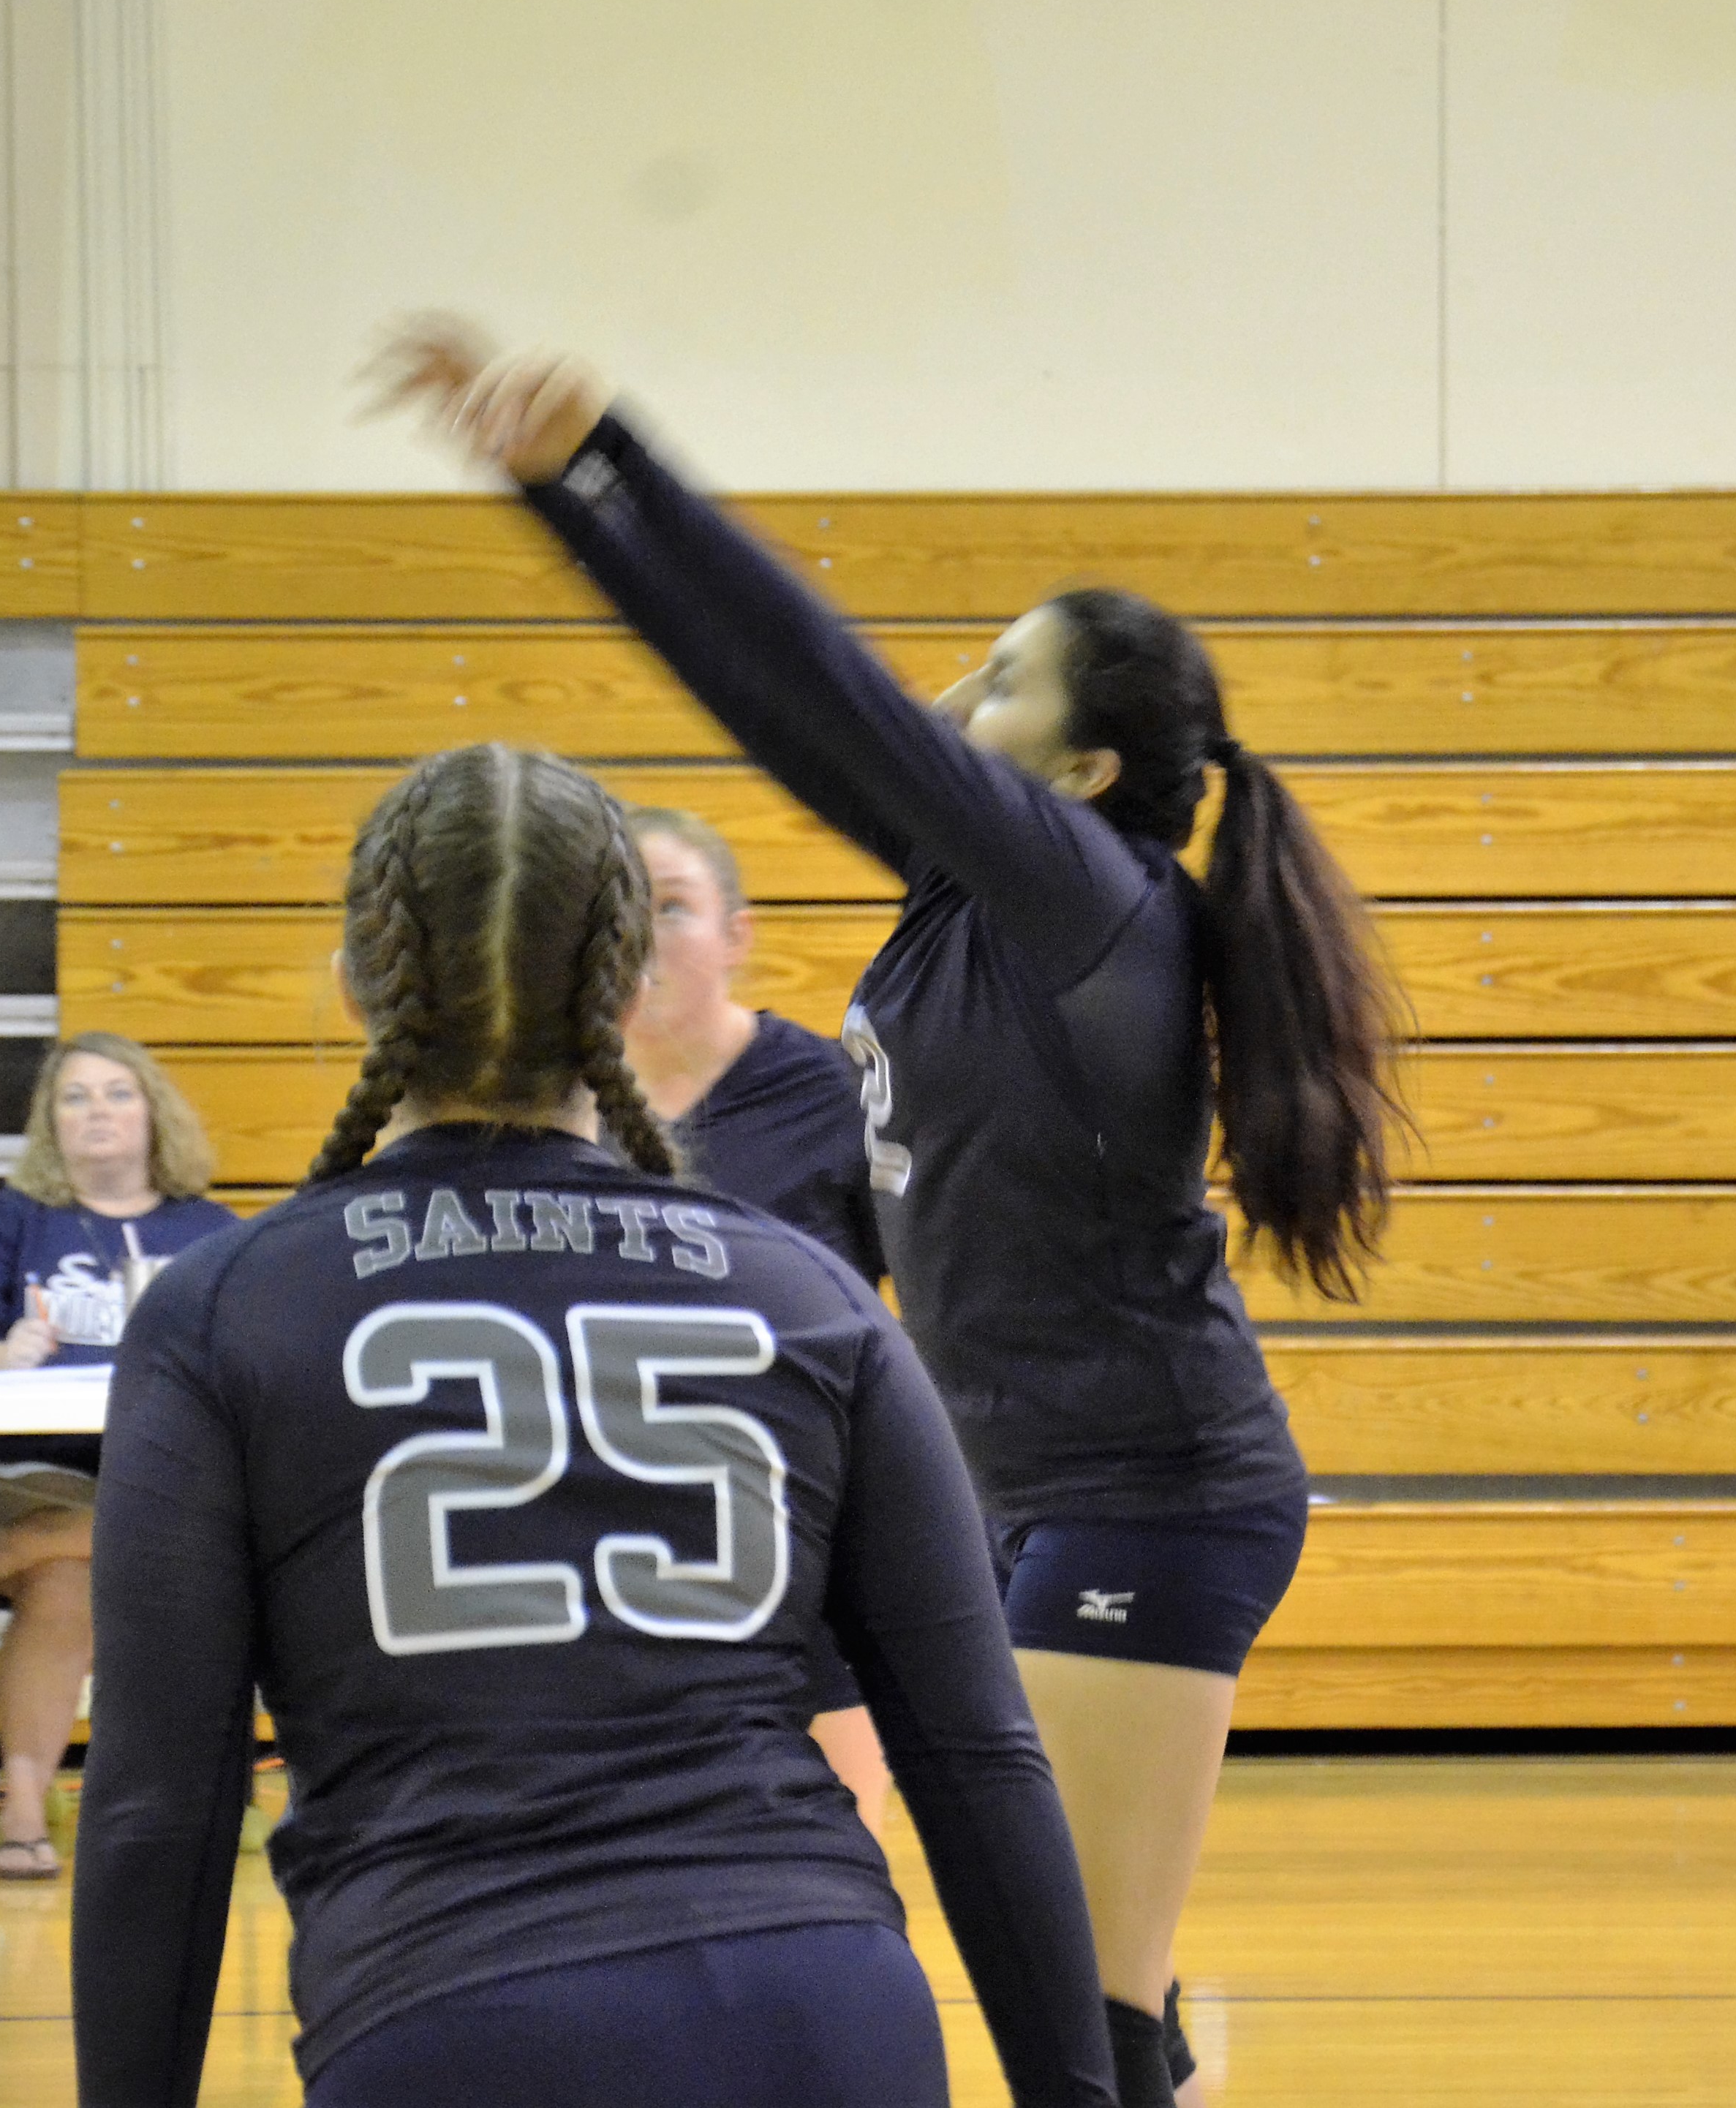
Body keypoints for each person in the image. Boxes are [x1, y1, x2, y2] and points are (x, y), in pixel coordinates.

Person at [376, 321, 1402, 2107]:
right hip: (1051, 1492)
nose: (953, 692)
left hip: (1151, 1496)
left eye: (1002, 677)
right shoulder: (976, 899)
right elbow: (772, 700)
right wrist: (573, 495)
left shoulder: (1088, 892)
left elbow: (825, 677)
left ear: (1079, 772)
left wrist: (615, 444)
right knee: (1064, 2004)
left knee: (1083, 2021)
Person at [69, 743, 1114, 2108]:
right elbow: (979, 1753)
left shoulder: (223, 1310)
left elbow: (160, 1805)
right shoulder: (805, 1291)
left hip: (450, 2018)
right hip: (823, 2013)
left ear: (353, 991)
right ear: (623, 989)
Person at [619, 805, 897, 1828]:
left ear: (737, 934)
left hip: (802, 1527)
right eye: (616, 912)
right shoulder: (553, 1108)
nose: (639, 940)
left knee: (833, 1846)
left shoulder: (832, 1098)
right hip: (616, 1532)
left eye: (671, 908)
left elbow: (915, 1307)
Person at [0, 1032, 238, 1881]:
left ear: (153, 1113)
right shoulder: (6, 1220)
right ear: (49, 1123)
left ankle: (20, 1555)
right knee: (72, 1581)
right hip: (19, 1472)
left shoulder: (210, 1229)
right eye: (76, 1097)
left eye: (117, 1093)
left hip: (168, 1472)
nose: (97, 1112)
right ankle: (24, 1806)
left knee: (111, 1556)